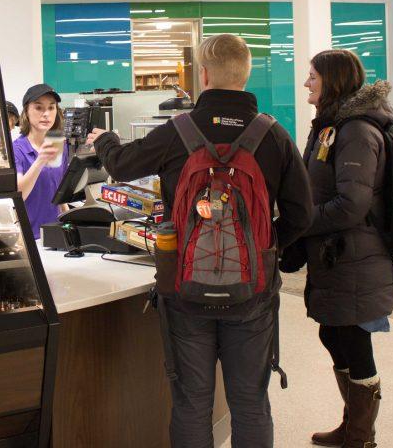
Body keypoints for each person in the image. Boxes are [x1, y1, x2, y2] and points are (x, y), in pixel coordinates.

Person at [86, 34, 313, 448]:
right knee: (250, 400)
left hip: (185, 287)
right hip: (253, 290)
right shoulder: (274, 134)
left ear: (203, 75)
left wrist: (102, 140)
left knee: (192, 403)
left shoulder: (178, 130)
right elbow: (303, 213)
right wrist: (266, 247)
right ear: (245, 75)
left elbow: (120, 164)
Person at [298, 49, 393, 448]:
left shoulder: (355, 130)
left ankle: (361, 436)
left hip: (356, 255)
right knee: (333, 335)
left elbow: (352, 205)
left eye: (313, 77)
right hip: (336, 254)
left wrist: (301, 222)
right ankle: (353, 424)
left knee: (353, 341)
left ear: (332, 81)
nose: (307, 83)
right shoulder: (331, 126)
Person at [14, 84, 68, 240]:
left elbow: (60, 192)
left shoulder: (59, 144)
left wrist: (68, 219)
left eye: (51, 108)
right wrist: (40, 161)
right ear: (26, 112)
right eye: (39, 108)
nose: (46, 114)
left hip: (56, 233)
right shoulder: (17, 149)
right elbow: (19, 195)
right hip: (30, 235)